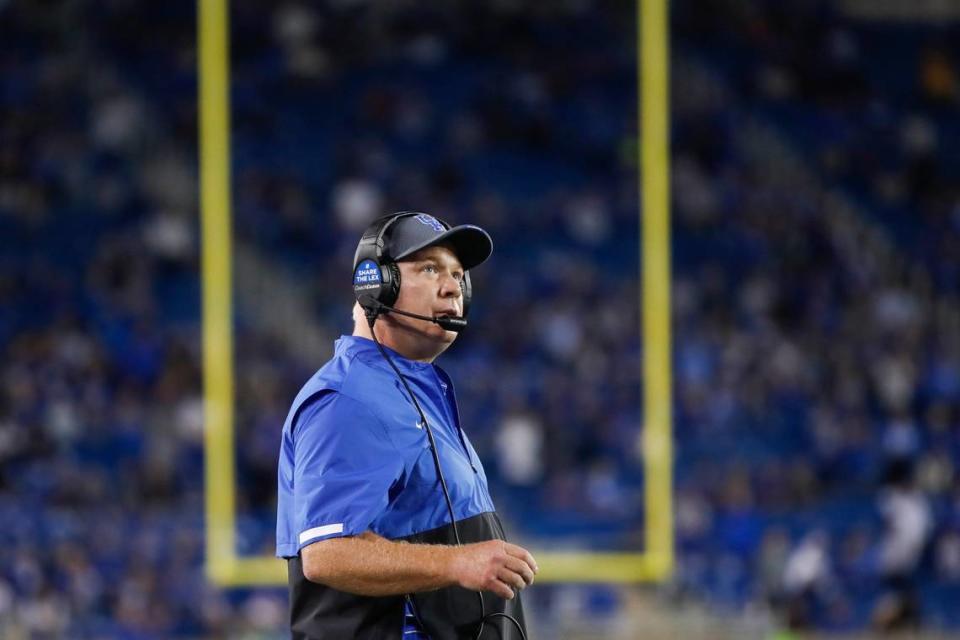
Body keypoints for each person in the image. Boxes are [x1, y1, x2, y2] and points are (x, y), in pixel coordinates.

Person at [276, 211, 536, 639]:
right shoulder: (350, 399)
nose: (453, 286)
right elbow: (326, 553)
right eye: (430, 268)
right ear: (375, 285)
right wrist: (457, 562)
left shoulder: (409, 390)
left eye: (458, 274)